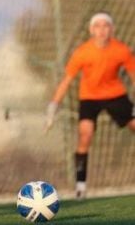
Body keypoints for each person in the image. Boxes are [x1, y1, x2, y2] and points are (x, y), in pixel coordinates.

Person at [46, 12, 135, 199]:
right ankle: (80, 186)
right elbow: (67, 80)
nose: (102, 30)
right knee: (85, 135)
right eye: (97, 26)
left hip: (115, 94)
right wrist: (53, 105)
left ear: (112, 29)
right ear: (91, 30)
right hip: (89, 97)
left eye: (105, 26)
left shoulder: (121, 50)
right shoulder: (82, 52)